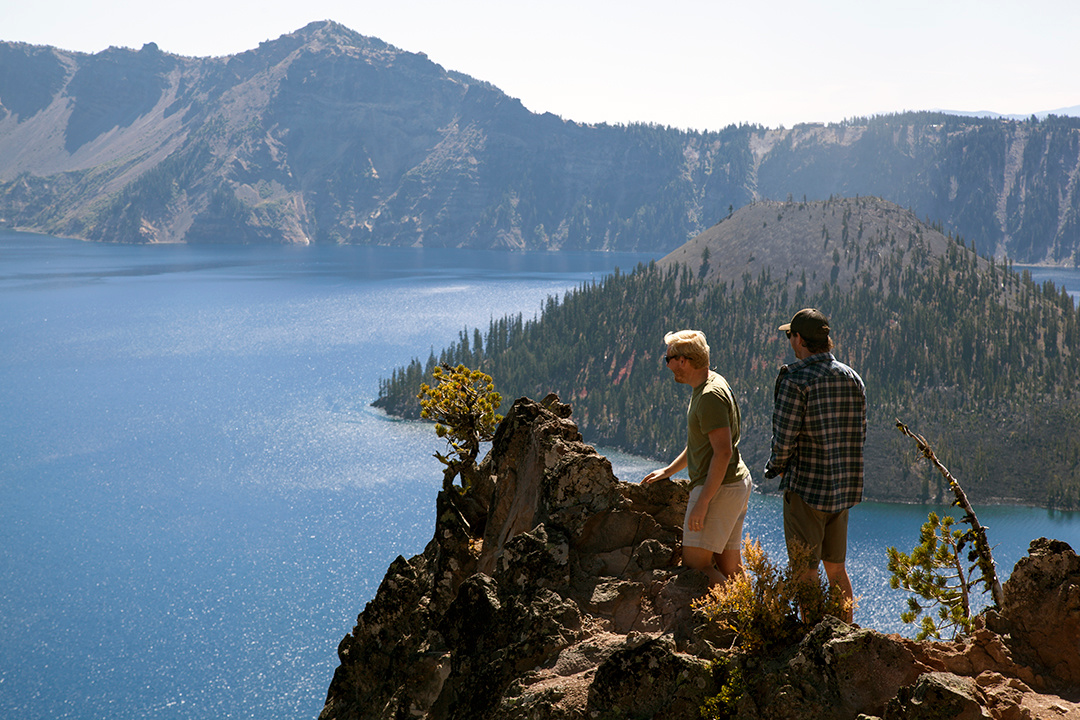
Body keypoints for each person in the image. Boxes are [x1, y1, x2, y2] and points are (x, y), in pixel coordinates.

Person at [764, 308, 866, 622]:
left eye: (789, 335)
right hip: (841, 489)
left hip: (807, 488)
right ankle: (846, 636)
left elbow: (785, 437)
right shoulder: (852, 377)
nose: (789, 340)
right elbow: (858, 434)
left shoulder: (797, 379)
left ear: (799, 339)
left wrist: (776, 466)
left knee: (805, 570)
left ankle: (812, 636)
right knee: (836, 569)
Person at [642, 330, 752, 587]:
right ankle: (754, 618)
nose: (667, 365)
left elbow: (722, 451)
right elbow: (700, 444)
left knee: (697, 564)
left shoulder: (708, 396)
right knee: (729, 565)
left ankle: (740, 617)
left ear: (683, 360)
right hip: (735, 483)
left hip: (719, 489)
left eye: (668, 359)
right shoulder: (710, 383)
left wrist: (703, 501)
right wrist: (670, 470)